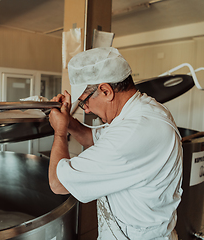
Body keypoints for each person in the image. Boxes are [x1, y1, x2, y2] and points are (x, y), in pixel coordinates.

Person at [48, 47, 183, 240]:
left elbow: (58, 183)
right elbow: (90, 138)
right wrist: (67, 120)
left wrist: (60, 132)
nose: (86, 110)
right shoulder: (142, 109)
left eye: (85, 101)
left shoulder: (135, 132)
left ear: (105, 90)